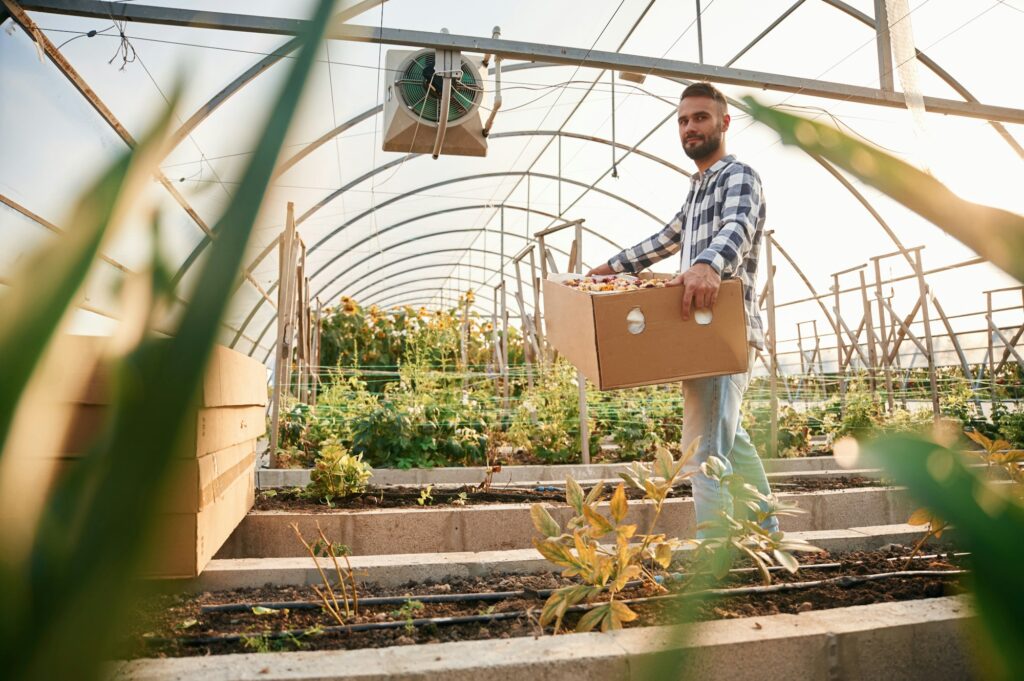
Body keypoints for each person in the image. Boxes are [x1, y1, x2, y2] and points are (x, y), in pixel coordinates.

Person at [587, 81, 777, 538]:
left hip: (722, 332)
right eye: (683, 120)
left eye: (700, 118)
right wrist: (608, 269)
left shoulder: (739, 176)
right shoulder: (697, 190)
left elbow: (739, 225)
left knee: (702, 449)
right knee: (729, 438)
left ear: (724, 123)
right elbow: (665, 239)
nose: (690, 128)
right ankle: (767, 531)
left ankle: (713, 555)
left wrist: (709, 265)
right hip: (699, 337)